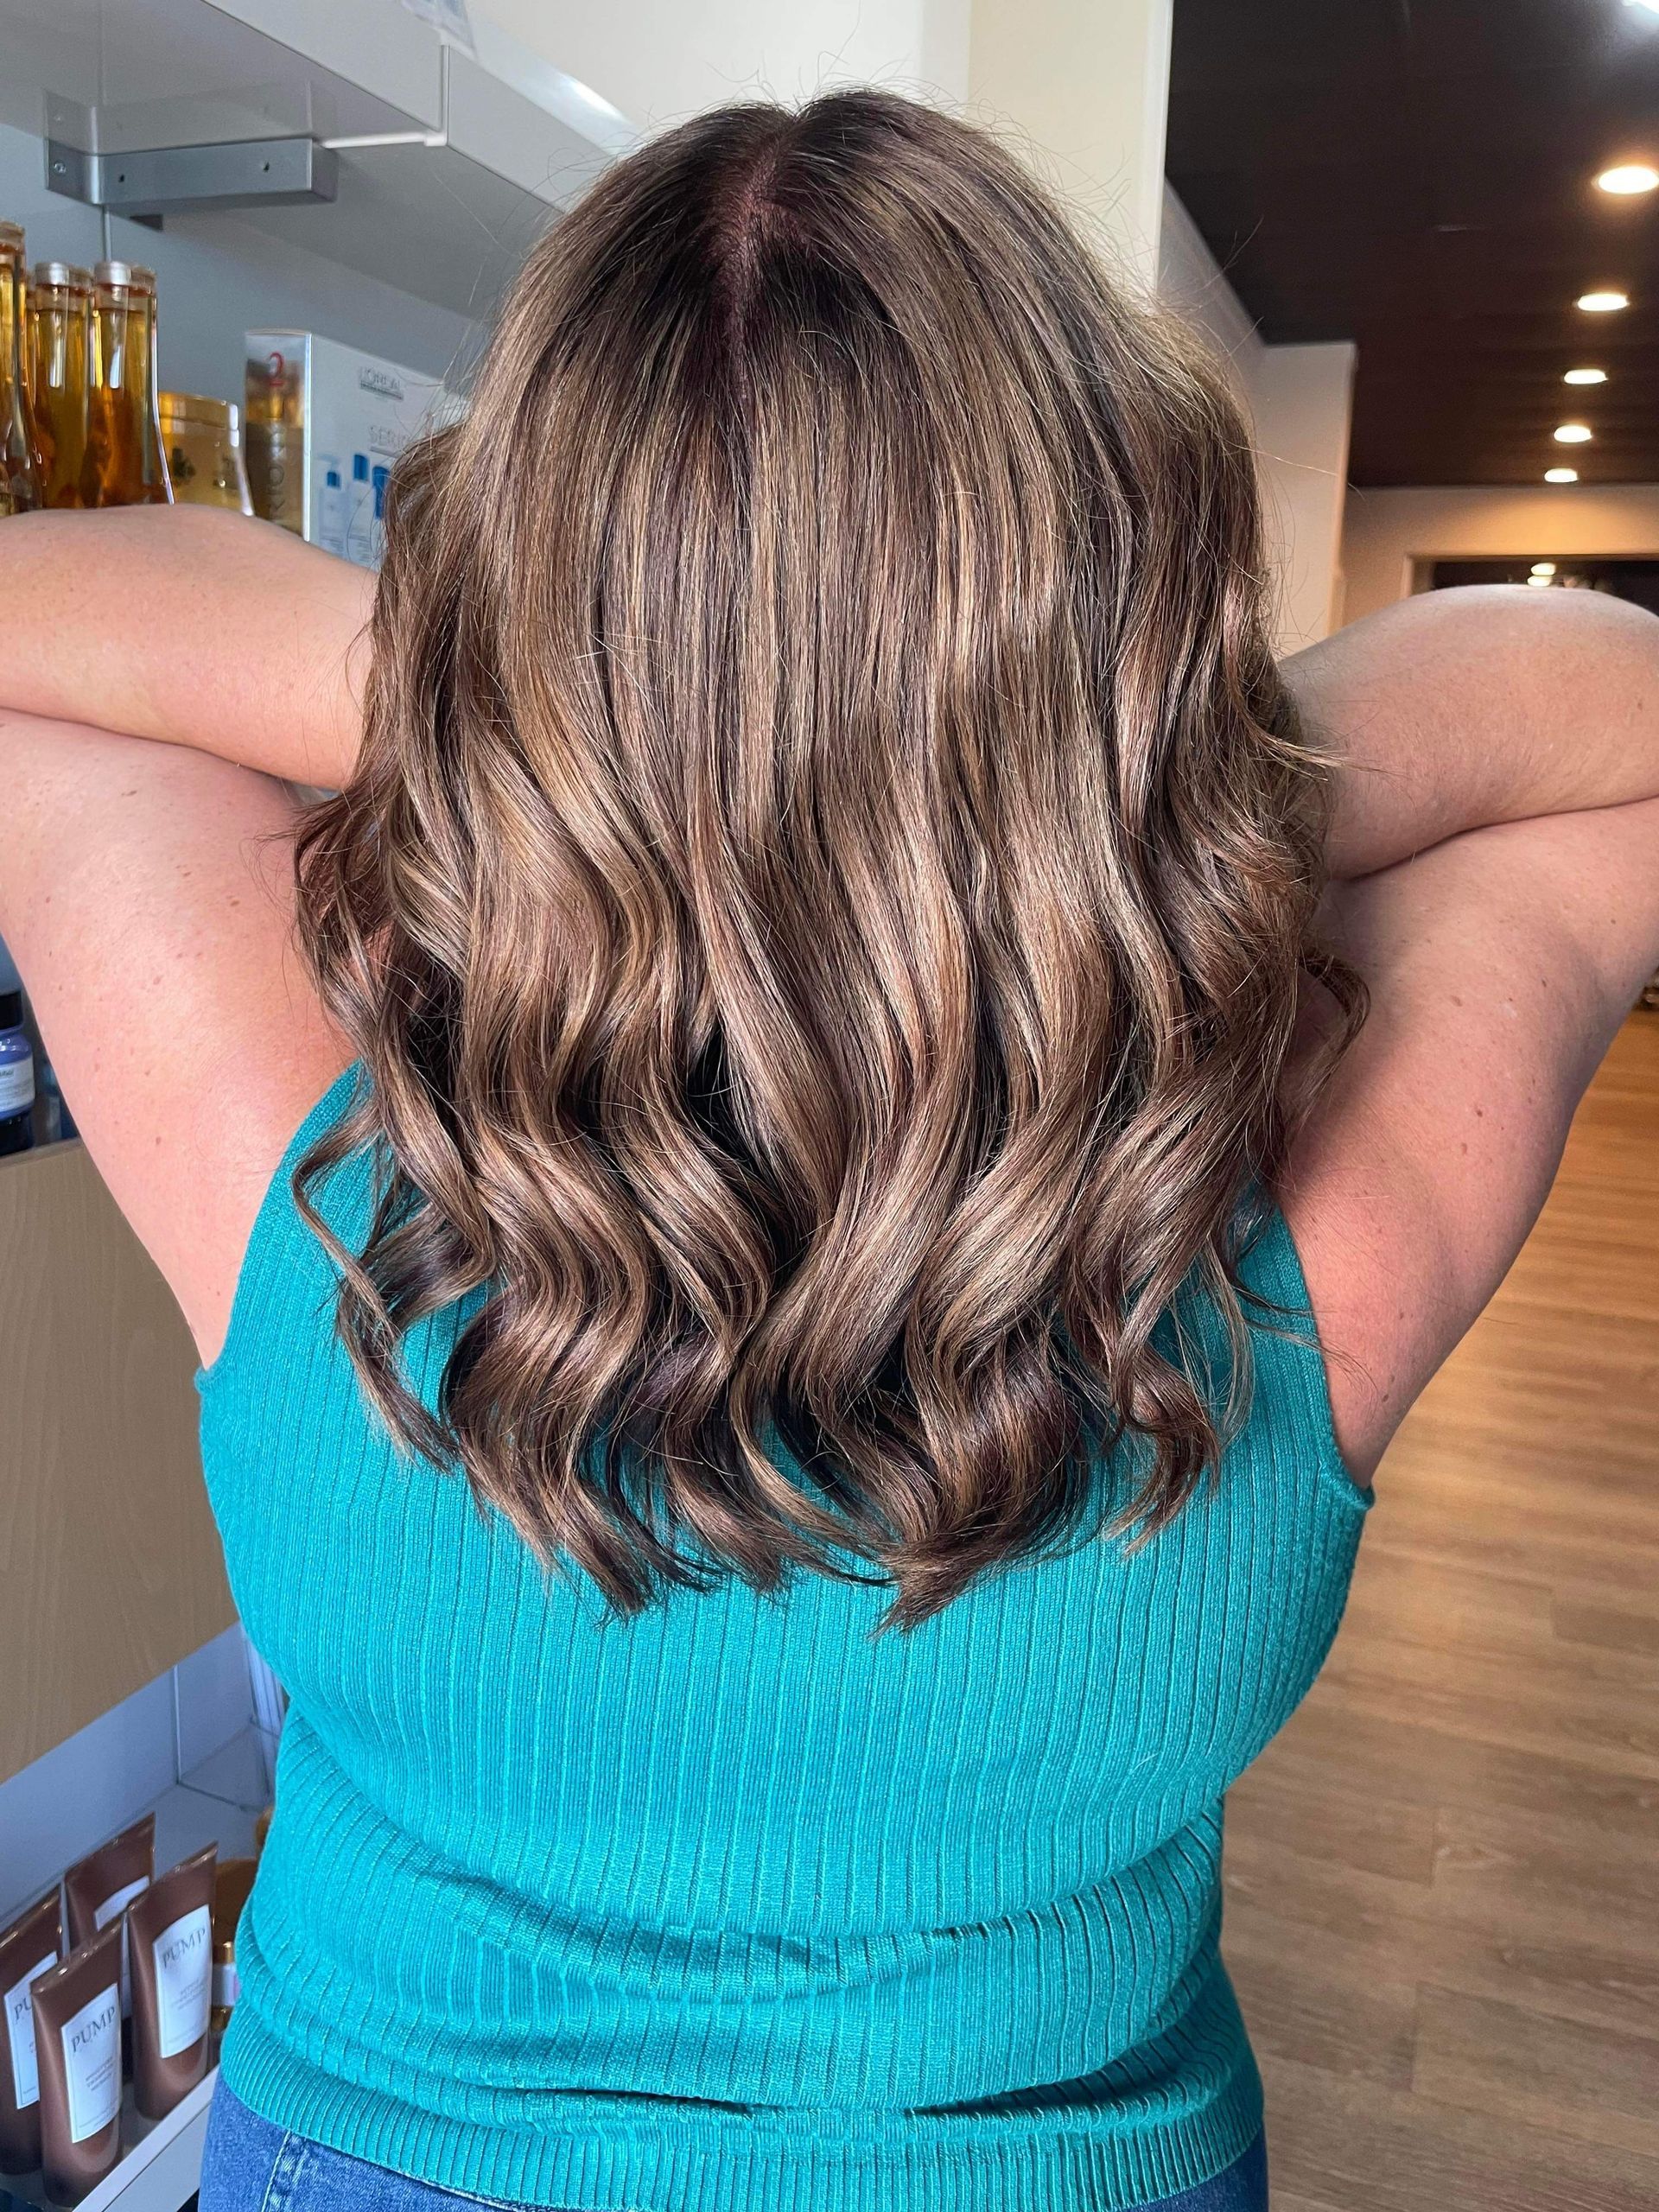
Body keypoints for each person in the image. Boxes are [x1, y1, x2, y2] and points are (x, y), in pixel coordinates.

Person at [2, 89, 1656, 2212]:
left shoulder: (296, 1169)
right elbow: (1610, 717)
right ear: (1124, 618)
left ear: (499, 598)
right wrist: (1097, 820)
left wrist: (580, 752)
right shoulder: (1287, 1259)